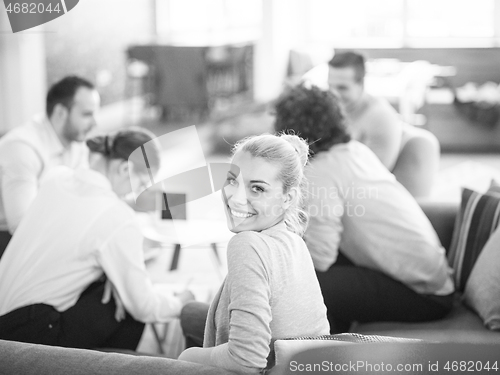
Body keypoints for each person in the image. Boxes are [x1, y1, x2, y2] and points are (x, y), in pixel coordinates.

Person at [273, 84, 454, 333]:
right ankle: (329, 341)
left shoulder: (321, 172)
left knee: (304, 283)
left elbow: (321, 257)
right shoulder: (356, 152)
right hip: (436, 282)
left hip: (423, 296)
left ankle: (311, 349)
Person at [0, 128, 194, 350]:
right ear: (125, 168)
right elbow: (143, 306)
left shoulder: (57, 178)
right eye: (140, 185)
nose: (135, 194)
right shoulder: (118, 217)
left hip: (4, 315)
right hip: (28, 333)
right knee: (128, 309)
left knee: (115, 289)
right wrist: (181, 303)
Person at [178, 134, 329, 374]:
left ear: (287, 198)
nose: (236, 198)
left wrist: (186, 358)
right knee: (190, 313)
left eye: (257, 188)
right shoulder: (295, 241)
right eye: (231, 180)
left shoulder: (247, 244)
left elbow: (247, 360)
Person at [0, 76, 100, 257]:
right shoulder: (22, 147)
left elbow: (83, 194)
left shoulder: (76, 143)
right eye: (87, 114)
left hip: (46, 230)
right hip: (8, 239)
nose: (95, 123)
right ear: (61, 112)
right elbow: (21, 225)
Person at [327, 51, 402, 171]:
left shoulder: (380, 117)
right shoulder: (334, 110)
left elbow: (374, 176)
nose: (334, 94)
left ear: (361, 84)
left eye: (342, 88)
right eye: (330, 86)